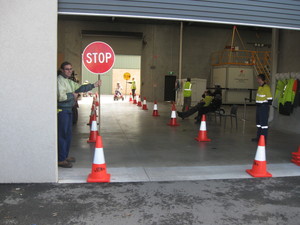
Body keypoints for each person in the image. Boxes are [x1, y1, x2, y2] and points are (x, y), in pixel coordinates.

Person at [57, 61, 102, 168]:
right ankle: (60, 159)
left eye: (70, 69)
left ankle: (64, 155)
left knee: (68, 135)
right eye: (67, 69)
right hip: (62, 111)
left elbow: (79, 88)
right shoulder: (59, 81)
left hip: (68, 110)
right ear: (62, 70)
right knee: (62, 135)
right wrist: (72, 95)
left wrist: (94, 85)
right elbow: (61, 97)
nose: (69, 71)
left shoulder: (68, 81)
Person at [252, 74, 273, 143]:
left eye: (258, 79)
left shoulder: (266, 88)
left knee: (263, 125)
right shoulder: (260, 87)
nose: (257, 80)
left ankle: (263, 139)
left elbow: (270, 100)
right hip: (259, 107)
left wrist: (263, 104)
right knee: (258, 124)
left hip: (263, 108)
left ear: (261, 79)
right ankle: (258, 138)